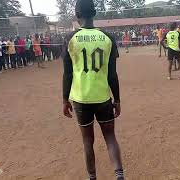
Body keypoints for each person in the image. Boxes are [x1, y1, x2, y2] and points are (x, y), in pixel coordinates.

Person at [62, 0, 124, 179]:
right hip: (103, 97)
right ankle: (119, 175)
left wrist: (65, 100)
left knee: (87, 141)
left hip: (81, 98)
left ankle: (92, 178)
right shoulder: (107, 37)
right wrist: (117, 100)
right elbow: (112, 75)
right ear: (95, 13)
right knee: (110, 137)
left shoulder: (70, 38)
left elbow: (67, 75)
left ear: (76, 14)